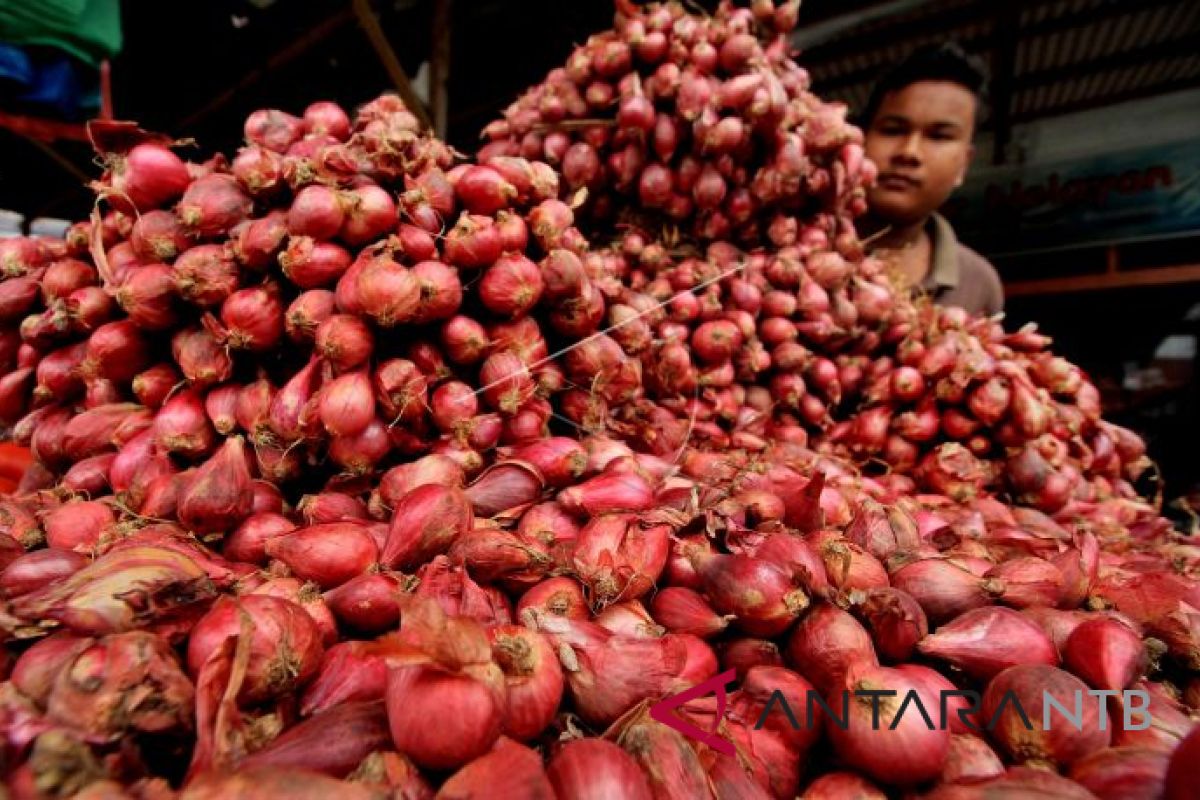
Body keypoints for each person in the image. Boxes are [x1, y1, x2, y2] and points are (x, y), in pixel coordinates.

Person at [859, 42, 1004, 317]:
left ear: (964, 163)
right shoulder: (787, 243)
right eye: (892, 130)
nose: (909, 152)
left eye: (939, 136)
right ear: (860, 139)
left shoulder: (979, 284)